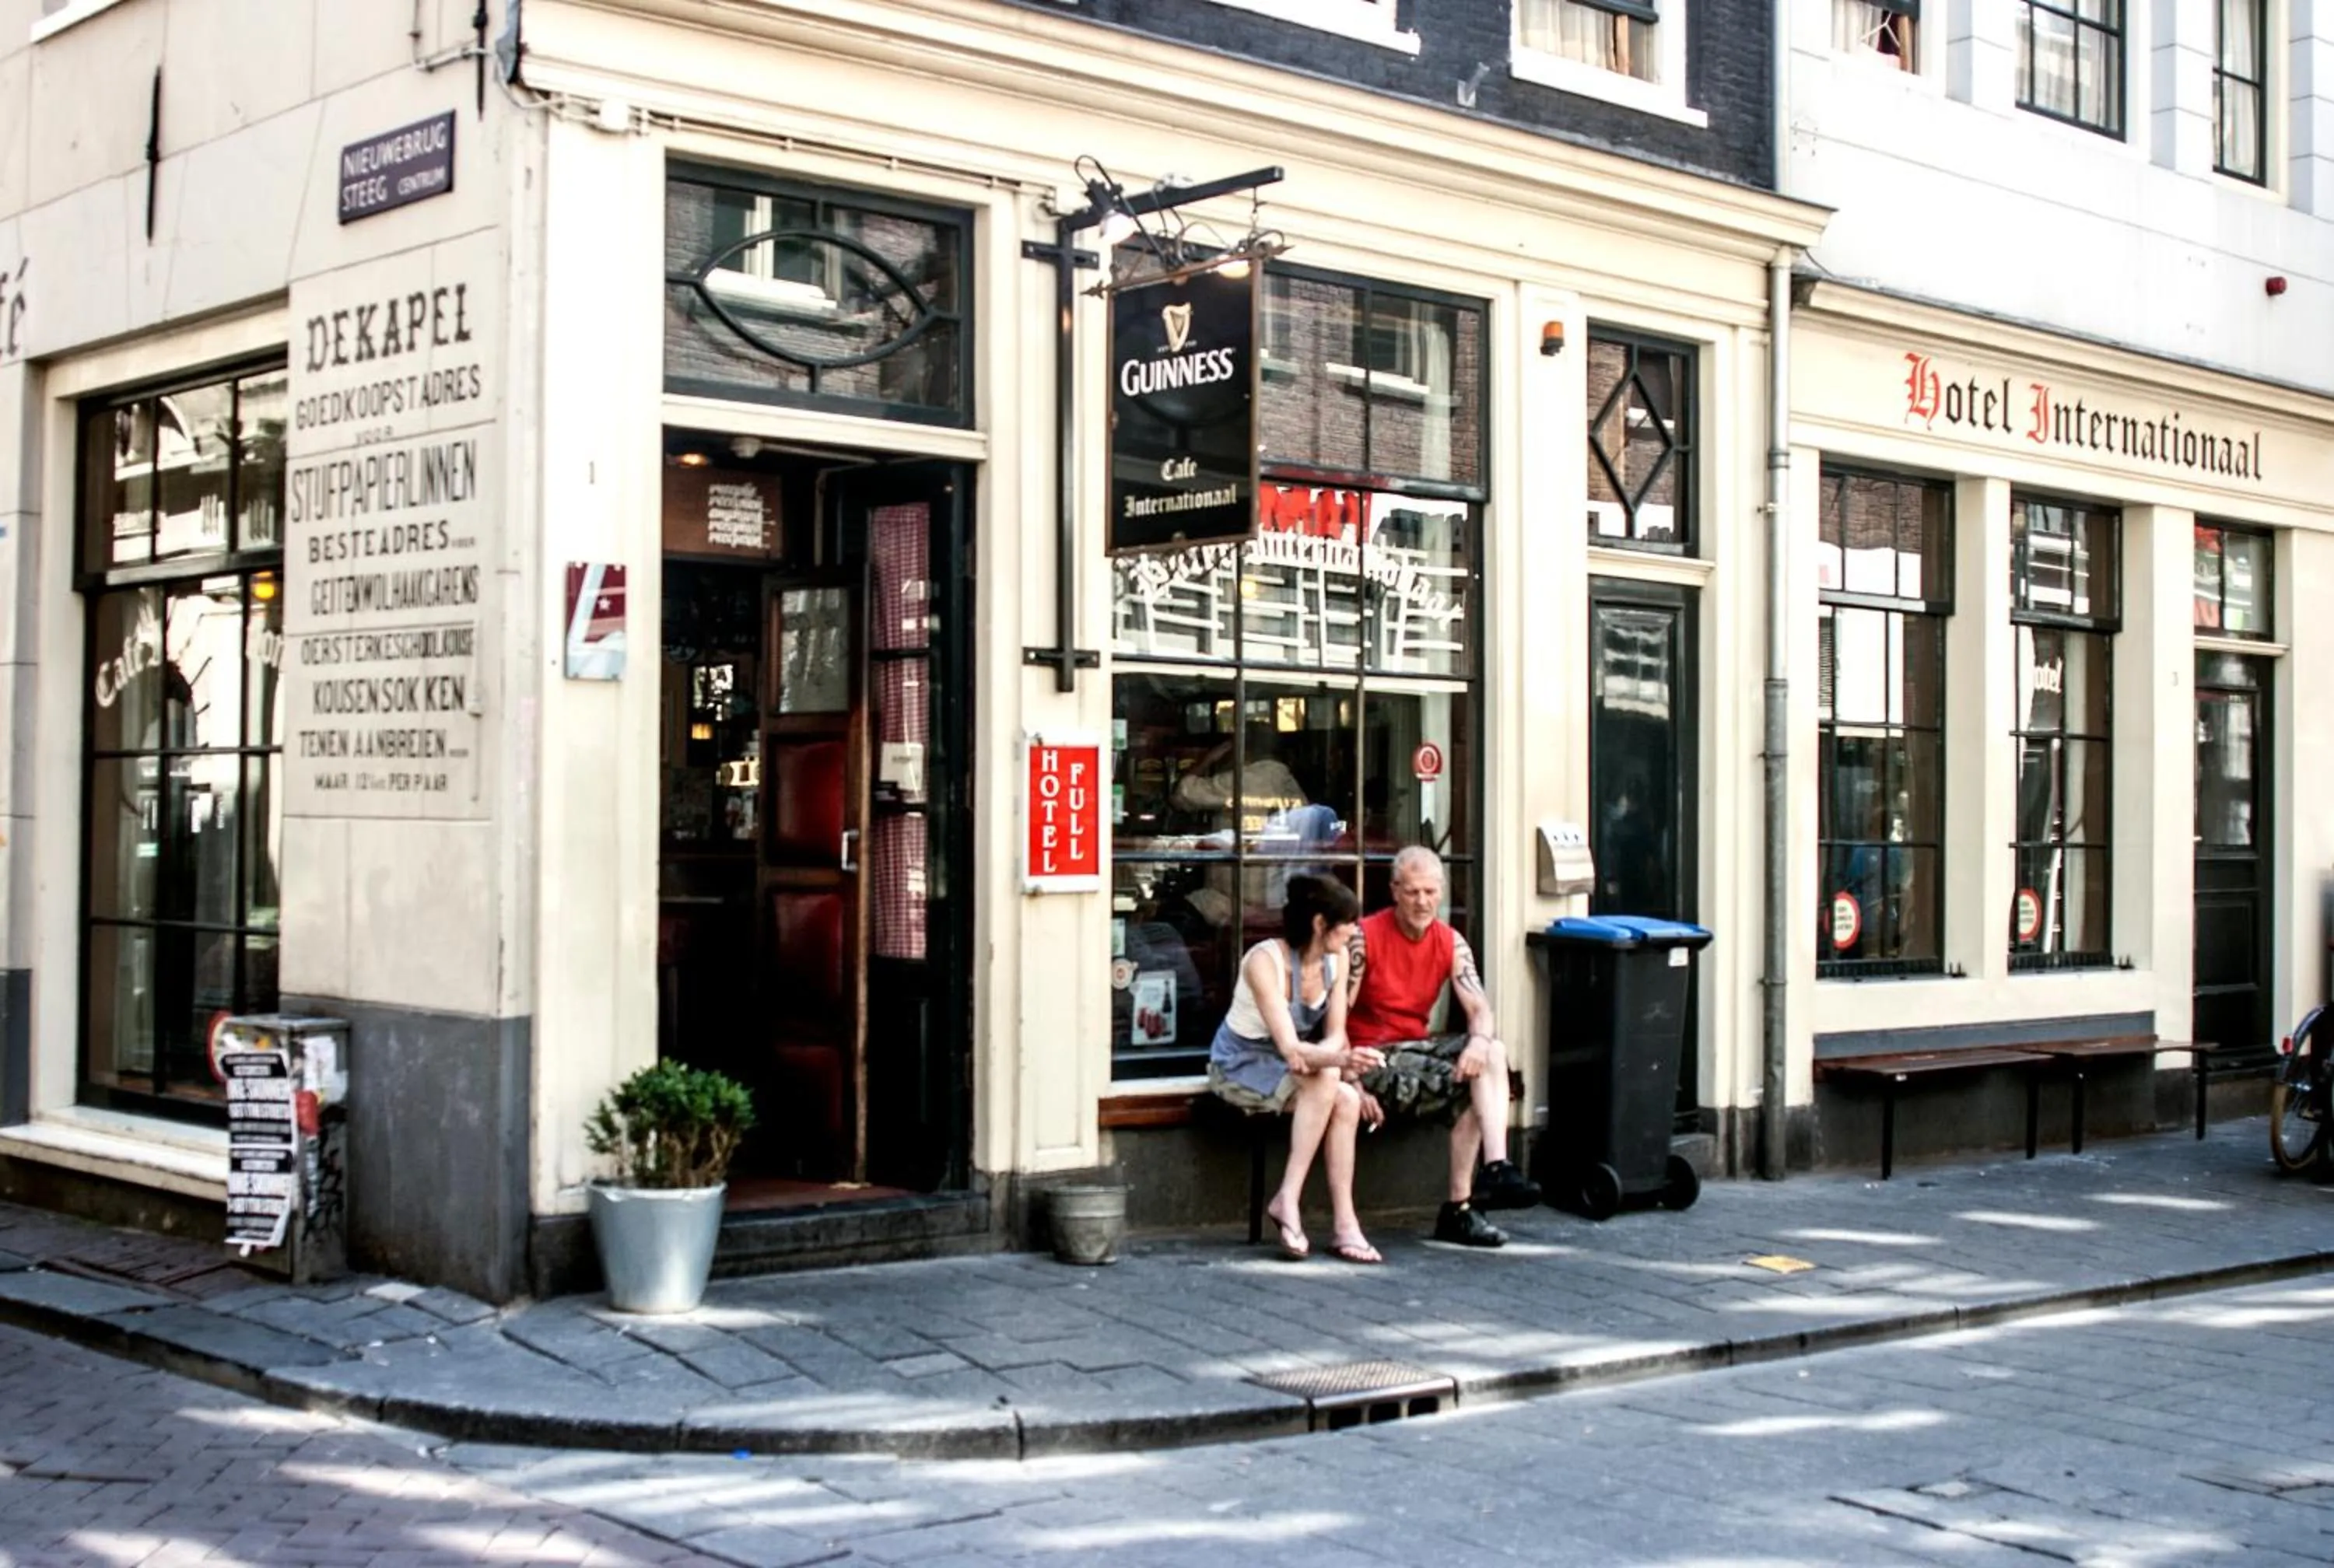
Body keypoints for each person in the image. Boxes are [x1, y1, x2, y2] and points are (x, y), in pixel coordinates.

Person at [1348, 845, 1540, 1248]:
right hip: (1371, 1056)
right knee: (1479, 1086)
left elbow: (1480, 1009)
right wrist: (1352, 1082)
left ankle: (1492, 1171)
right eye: (1413, 892)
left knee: (1493, 1054)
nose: (1423, 902)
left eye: (1431, 893)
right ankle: (1465, 1204)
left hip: (1415, 1050)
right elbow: (1332, 1021)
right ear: (1395, 891)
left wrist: (1479, 1042)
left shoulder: (1450, 942)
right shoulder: (1363, 939)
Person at [1206, 873, 1385, 1264]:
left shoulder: (1335, 963)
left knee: (1346, 1100)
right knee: (1332, 1082)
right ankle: (1289, 1200)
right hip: (1241, 1063)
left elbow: (1336, 1034)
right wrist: (1338, 1061)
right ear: (1321, 924)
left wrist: (1338, 1059)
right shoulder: (1263, 962)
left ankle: (1343, 1222)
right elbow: (1290, 1049)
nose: (1355, 932)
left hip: (1299, 1065)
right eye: (1348, 925)